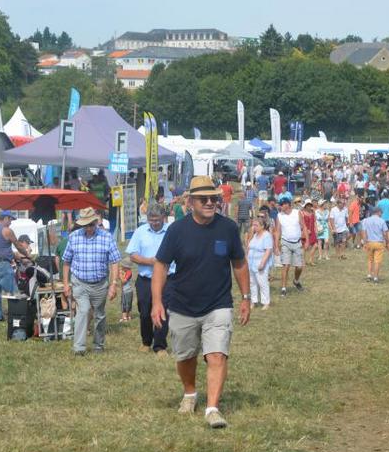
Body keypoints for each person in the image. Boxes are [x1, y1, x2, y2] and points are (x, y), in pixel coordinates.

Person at [151, 176, 251, 429]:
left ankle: (212, 408)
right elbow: (161, 265)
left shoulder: (228, 228)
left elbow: (239, 263)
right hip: (183, 304)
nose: (210, 202)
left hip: (218, 304)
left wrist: (246, 298)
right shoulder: (177, 231)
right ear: (190, 202)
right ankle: (189, 393)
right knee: (185, 357)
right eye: (203, 198)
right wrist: (156, 302)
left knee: (217, 355)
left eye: (214, 198)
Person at [62, 207, 120, 355]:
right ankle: (79, 347)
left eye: (91, 225)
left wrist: (114, 284)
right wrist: (66, 284)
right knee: (84, 310)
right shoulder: (74, 237)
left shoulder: (107, 237)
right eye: (85, 225)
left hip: (100, 284)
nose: (88, 228)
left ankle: (98, 345)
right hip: (80, 282)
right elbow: (66, 262)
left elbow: (114, 262)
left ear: (96, 222)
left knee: (99, 314)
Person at [126, 204, 175, 356]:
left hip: (167, 279)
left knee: (163, 310)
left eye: (157, 220)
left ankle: (160, 346)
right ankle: (146, 341)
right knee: (145, 311)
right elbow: (132, 255)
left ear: (163, 218)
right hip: (146, 279)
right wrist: (151, 261)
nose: (154, 223)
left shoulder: (171, 231)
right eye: (151, 220)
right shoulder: (140, 232)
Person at [0, 211, 30, 322]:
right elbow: (18, 245)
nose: (11, 222)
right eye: (10, 219)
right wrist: (27, 255)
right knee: (14, 292)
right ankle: (19, 316)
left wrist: (14, 256)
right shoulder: (7, 230)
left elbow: (1, 249)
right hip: (2, 265)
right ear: (5, 218)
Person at [275, 197, 307, 297]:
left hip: (297, 243)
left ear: (287, 204)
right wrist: (276, 245)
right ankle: (284, 288)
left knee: (299, 267)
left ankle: (296, 281)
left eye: (282, 204)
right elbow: (278, 231)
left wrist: (307, 241)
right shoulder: (279, 216)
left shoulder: (297, 213)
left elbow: (303, 226)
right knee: (286, 265)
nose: (280, 206)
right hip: (285, 243)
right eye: (280, 205)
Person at [247, 217, 273, 310]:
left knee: (262, 283)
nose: (254, 227)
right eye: (253, 225)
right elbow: (249, 247)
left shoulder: (266, 235)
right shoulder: (255, 235)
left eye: (256, 225)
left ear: (262, 226)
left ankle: (266, 302)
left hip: (260, 264)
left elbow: (268, 250)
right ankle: (253, 301)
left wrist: (262, 263)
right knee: (252, 282)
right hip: (251, 263)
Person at [361, 207, 389, 283]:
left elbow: (363, 231)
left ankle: (369, 275)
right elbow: (385, 233)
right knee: (377, 261)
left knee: (370, 260)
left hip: (369, 242)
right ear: (378, 212)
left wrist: (364, 242)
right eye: (381, 213)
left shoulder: (366, 220)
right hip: (379, 243)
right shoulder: (382, 221)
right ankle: (375, 277)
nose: (381, 214)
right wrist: (387, 241)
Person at [301, 199, 317, 266]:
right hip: (305, 231)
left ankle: (310, 260)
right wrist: (305, 230)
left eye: (310, 205)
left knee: (315, 245)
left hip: (312, 231)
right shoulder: (302, 213)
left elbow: (314, 221)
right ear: (305, 206)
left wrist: (316, 229)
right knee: (305, 247)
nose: (309, 206)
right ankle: (303, 261)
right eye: (308, 205)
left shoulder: (313, 213)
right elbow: (301, 223)